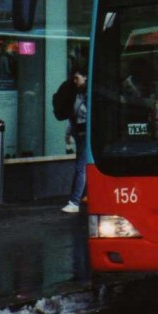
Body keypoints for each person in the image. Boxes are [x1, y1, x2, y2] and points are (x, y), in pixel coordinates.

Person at [54, 67, 87, 214]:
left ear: (85, 78)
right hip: (78, 132)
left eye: (77, 78)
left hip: (86, 133)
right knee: (82, 166)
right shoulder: (75, 93)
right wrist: (68, 132)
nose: (74, 81)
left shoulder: (87, 94)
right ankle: (83, 196)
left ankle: (74, 201)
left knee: (81, 167)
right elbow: (71, 115)